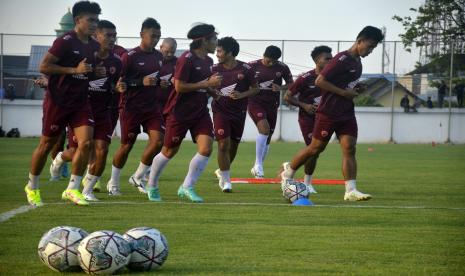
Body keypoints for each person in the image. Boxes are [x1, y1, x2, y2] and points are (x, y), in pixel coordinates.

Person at [280, 26, 384, 201]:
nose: (371, 50)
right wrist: (344, 93)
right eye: (370, 46)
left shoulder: (357, 62)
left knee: (349, 148)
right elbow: (320, 81)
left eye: (374, 48)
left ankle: (350, 190)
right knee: (315, 148)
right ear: (360, 41)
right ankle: (288, 172)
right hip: (328, 113)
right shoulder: (341, 59)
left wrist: (356, 88)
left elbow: (344, 85)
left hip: (346, 113)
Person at [24, 0, 101, 207]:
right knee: (46, 144)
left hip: (80, 102)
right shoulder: (65, 41)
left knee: (86, 143)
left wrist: (95, 72)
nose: (95, 24)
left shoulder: (94, 45)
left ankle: (72, 189)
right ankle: (32, 187)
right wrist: (73, 71)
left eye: (97, 20)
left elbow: (86, 70)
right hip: (58, 101)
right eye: (90, 19)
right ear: (77, 20)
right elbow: (44, 66)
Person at [146, 23, 222, 202]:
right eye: (214, 39)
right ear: (204, 41)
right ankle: (151, 184)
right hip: (179, 112)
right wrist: (207, 85)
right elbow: (179, 86)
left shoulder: (208, 61)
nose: (216, 43)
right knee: (169, 151)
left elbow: (203, 83)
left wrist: (212, 91)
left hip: (200, 111)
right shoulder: (186, 59)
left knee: (206, 148)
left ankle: (187, 186)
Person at [49, 20, 125, 201]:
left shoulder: (116, 61)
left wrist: (118, 87)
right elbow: (67, 75)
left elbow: (112, 84)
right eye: (108, 35)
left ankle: (87, 190)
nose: (112, 39)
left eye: (114, 35)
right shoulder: (84, 56)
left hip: (103, 110)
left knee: (102, 149)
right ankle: (60, 158)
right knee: (79, 150)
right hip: (82, 108)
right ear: (95, 36)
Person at [106, 18, 165, 196]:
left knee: (158, 141)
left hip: (152, 108)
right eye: (152, 36)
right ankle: (113, 182)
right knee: (126, 146)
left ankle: (137, 176)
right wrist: (140, 82)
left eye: (158, 36)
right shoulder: (130, 57)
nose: (155, 39)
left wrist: (159, 83)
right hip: (130, 107)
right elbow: (118, 82)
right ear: (142, 35)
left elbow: (153, 80)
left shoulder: (158, 56)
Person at [283, 45, 333, 194]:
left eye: (332, 58)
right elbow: (287, 97)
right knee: (313, 150)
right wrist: (304, 105)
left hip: (325, 119)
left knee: (316, 151)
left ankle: (291, 168)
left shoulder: (333, 78)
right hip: (307, 119)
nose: (331, 61)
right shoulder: (305, 78)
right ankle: (307, 183)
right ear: (317, 60)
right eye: (327, 59)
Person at [212, 36, 259, 192]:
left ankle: (222, 171)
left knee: (233, 145)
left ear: (230, 53)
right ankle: (226, 181)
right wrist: (213, 93)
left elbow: (256, 88)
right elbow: (206, 87)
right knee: (223, 144)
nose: (217, 53)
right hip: (220, 112)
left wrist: (242, 94)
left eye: (219, 51)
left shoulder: (246, 69)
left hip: (239, 113)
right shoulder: (214, 69)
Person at [248, 46, 293, 178]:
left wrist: (281, 87)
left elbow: (291, 83)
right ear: (263, 55)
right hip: (255, 103)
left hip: (272, 104)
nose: (271, 63)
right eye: (269, 60)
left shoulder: (282, 67)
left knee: (267, 137)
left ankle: (257, 167)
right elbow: (242, 81)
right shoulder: (251, 66)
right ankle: (258, 165)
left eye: (274, 61)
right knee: (264, 129)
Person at [155, 37, 178, 110]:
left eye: (172, 52)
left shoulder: (178, 62)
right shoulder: (152, 58)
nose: (169, 54)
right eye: (167, 51)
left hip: (171, 104)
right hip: (153, 103)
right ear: (161, 47)